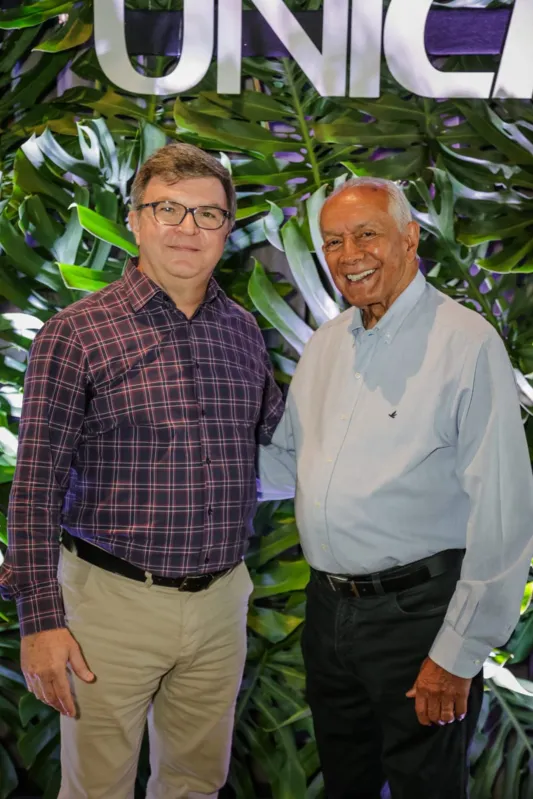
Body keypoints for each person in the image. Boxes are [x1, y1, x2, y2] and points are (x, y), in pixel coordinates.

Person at [0, 142, 284, 799]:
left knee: (193, 782)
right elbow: (35, 486)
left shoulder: (242, 331)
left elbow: (277, 437)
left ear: (228, 227)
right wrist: (40, 622)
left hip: (219, 602)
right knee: (97, 788)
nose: (188, 229)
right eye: (168, 210)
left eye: (207, 215)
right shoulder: (77, 333)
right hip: (111, 603)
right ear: (134, 219)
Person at [259, 176, 533, 799]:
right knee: (347, 785)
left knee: (424, 788)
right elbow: (286, 468)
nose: (348, 253)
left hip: (419, 619)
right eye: (332, 241)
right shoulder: (327, 346)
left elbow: (503, 509)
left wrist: (457, 652)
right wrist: (175, 456)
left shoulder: (465, 343)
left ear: (410, 238)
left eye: (366, 235)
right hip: (330, 614)